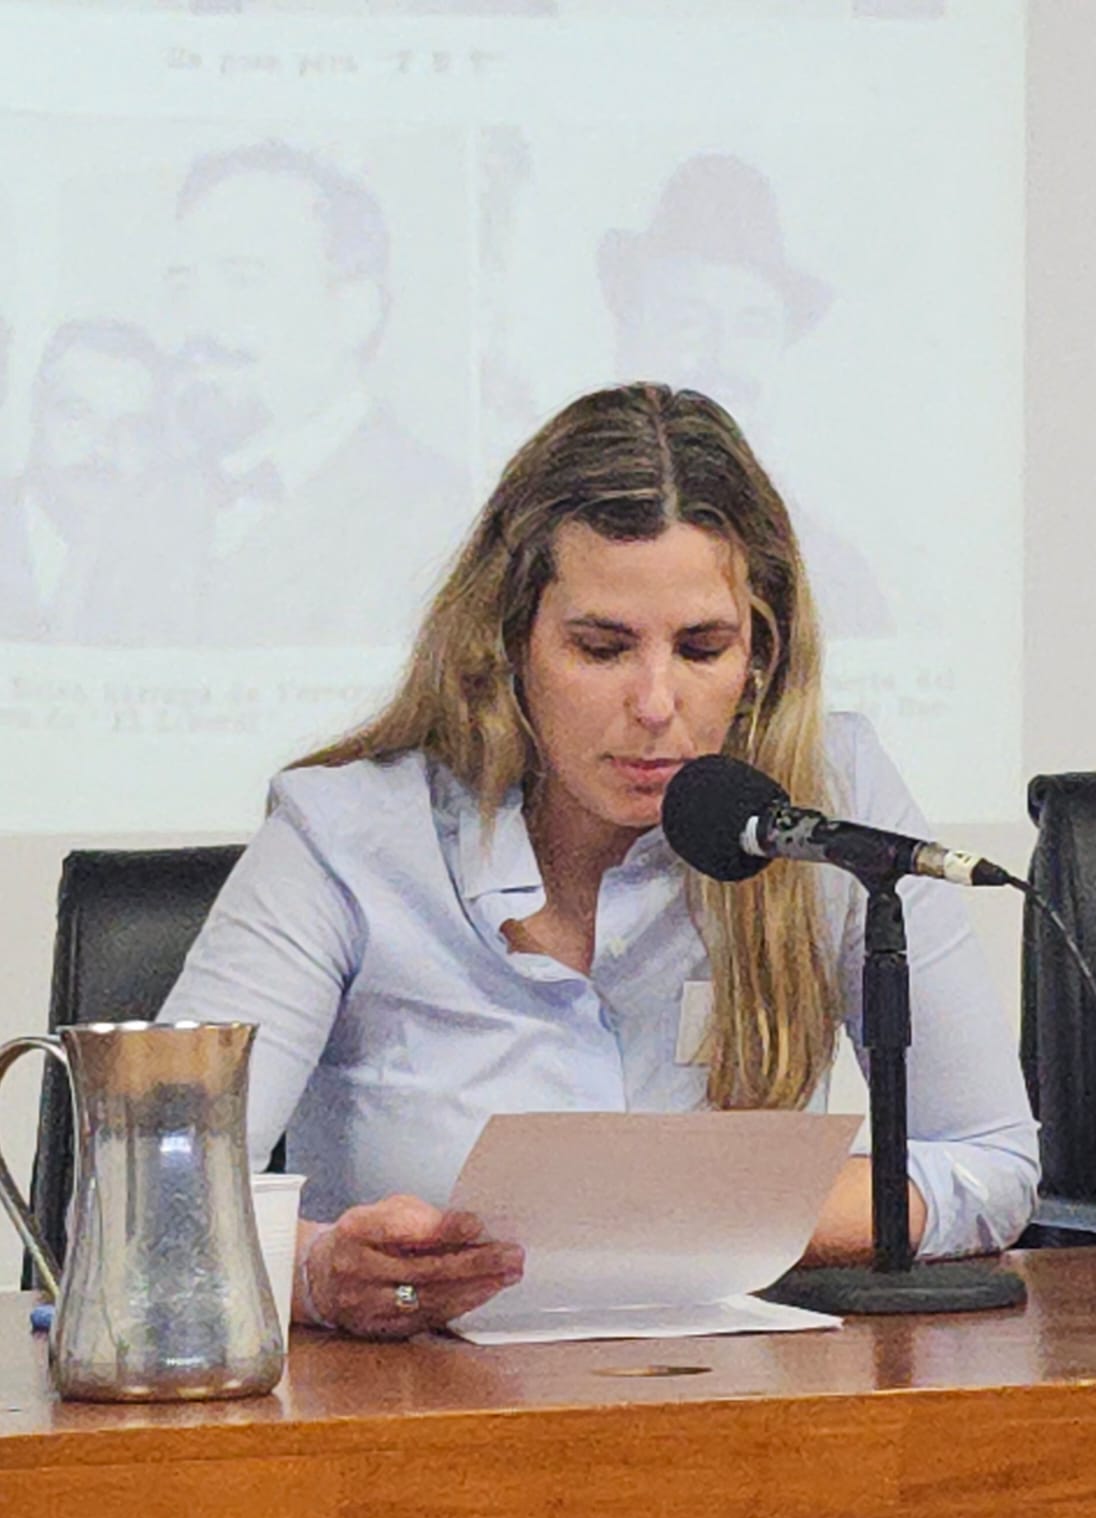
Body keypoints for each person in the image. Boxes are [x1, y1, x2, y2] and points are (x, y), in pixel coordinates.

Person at [160, 382, 1038, 1338]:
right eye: (602, 648)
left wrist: (678, 1222)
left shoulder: (830, 803)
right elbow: (152, 1200)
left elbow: (992, 1160)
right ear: (508, 643)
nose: (656, 704)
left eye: (702, 649)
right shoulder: (344, 834)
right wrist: (315, 1272)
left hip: (737, 1399)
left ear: (761, 657)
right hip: (415, 1406)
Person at [167, 139, 470, 646]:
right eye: (182, 285)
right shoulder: (134, 511)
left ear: (353, 311)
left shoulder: (446, 517)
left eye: (243, 280)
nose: (196, 320)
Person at [598, 154, 893, 640]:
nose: (723, 356)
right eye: (690, 321)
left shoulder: (838, 576)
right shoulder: (557, 547)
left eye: (752, 326)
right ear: (632, 335)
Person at [0, 318, 186, 644]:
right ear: (36, 412)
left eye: (130, 427)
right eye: (77, 415)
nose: (102, 447)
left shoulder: (174, 562)